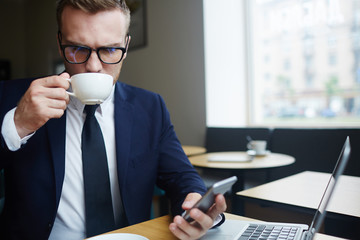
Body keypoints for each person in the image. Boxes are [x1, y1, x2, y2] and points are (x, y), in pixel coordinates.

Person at [0, 0, 227, 239]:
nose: (93, 66)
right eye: (78, 48)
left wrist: (198, 207)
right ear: (59, 44)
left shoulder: (150, 107)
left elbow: (181, 176)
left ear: (126, 46)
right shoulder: (13, 97)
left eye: (109, 50)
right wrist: (16, 126)